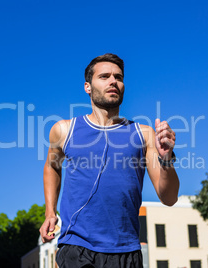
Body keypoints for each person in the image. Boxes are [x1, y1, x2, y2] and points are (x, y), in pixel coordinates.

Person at [39, 53, 180, 268]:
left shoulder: (144, 134)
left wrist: (167, 158)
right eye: (104, 76)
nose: (113, 81)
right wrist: (50, 211)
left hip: (127, 250)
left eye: (119, 77)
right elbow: (52, 166)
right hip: (77, 246)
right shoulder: (64, 130)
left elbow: (168, 198)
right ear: (88, 87)